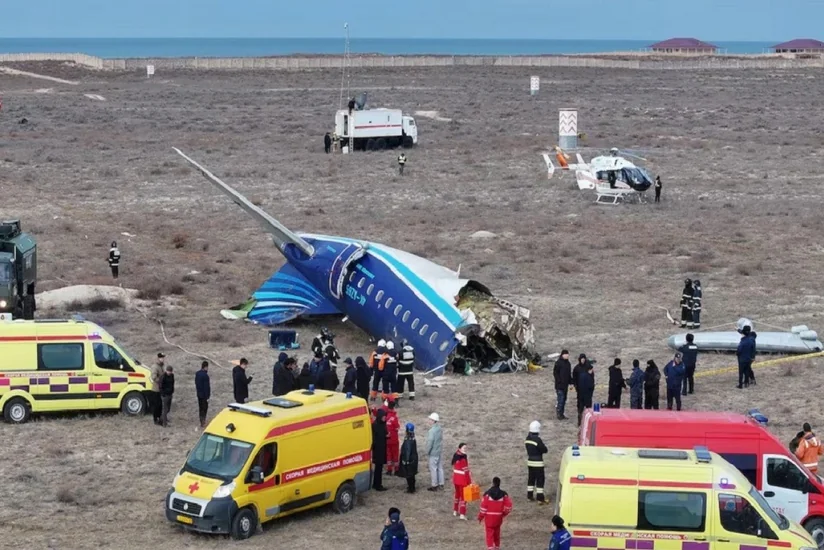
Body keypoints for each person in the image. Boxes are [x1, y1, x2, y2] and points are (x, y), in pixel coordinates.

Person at [477, 477, 513, 550]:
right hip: (498, 518)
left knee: (489, 534)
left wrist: (480, 517)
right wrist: (503, 514)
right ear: (499, 484)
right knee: (497, 533)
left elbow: (483, 508)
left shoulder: (487, 494)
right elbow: (509, 507)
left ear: (493, 483)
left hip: (489, 519)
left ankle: (490, 548)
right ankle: (497, 547)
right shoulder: (503, 495)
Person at [525, 420, 548, 504]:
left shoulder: (527, 439)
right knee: (540, 479)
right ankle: (540, 498)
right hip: (538, 462)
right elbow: (544, 450)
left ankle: (529, 495)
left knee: (531, 479)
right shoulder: (537, 440)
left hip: (530, 461)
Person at [451, 443, 472, 520]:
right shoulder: (463, 459)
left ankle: (455, 510)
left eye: (466, 448)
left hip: (456, 480)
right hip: (463, 481)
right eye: (464, 448)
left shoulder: (456, 456)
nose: (465, 449)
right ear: (460, 448)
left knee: (457, 495)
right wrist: (469, 482)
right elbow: (466, 472)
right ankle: (462, 514)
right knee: (464, 497)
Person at [426, 412, 444, 491]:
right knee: (440, 468)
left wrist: (427, 451)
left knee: (433, 469)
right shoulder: (439, 429)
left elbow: (430, 442)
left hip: (433, 452)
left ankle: (434, 485)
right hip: (439, 451)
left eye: (430, 419)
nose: (429, 420)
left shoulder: (432, 431)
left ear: (433, 421)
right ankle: (441, 483)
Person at [399, 423, 419, 493]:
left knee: (409, 475)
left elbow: (407, 450)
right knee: (412, 474)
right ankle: (412, 487)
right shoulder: (412, 437)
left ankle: (411, 489)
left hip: (409, 460)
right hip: (413, 459)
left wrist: (406, 461)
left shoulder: (408, 439)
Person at [372, 409, 388, 491]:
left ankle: (377, 483)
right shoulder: (375, 425)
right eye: (383, 416)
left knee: (380, 468)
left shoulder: (382, 424)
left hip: (382, 448)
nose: (385, 418)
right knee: (378, 468)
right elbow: (373, 439)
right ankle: (377, 485)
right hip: (378, 450)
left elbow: (384, 433)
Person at [553, 350, 572, 420]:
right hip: (559, 386)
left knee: (564, 400)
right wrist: (559, 381)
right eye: (565, 354)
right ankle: (559, 414)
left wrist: (571, 382)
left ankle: (562, 413)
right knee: (560, 399)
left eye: (567, 354)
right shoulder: (558, 363)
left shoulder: (568, 364)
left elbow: (569, 374)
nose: (567, 355)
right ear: (562, 355)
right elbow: (555, 373)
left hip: (565, 386)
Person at [737, 324, 757, 389]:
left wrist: (752, 357)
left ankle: (748, 381)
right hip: (749, 357)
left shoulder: (745, 341)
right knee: (747, 369)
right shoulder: (751, 337)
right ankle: (747, 382)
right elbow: (743, 332)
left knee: (746, 370)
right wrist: (737, 330)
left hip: (745, 357)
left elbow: (740, 350)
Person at [385, 399, 401, 475]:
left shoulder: (385, 416)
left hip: (387, 440)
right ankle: (396, 469)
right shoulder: (394, 418)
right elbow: (397, 427)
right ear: (394, 407)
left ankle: (389, 470)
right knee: (395, 454)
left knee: (388, 455)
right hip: (394, 439)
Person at [576, 361, 595, 426]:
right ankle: (587, 423)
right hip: (587, 396)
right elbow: (590, 386)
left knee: (580, 410)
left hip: (580, 395)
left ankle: (579, 422)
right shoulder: (589, 377)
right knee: (588, 410)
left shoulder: (581, 375)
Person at [149, 352, 165, 425]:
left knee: (160, 405)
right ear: (158, 358)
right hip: (156, 389)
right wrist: (161, 381)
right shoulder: (155, 367)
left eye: (163, 357)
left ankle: (160, 418)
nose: (163, 359)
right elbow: (154, 377)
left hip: (160, 389)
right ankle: (155, 419)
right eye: (161, 358)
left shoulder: (161, 366)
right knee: (156, 405)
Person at [195, 360, 210, 428]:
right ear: (205, 367)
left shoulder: (197, 374)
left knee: (200, 408)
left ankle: (201, 420)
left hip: (199, 394)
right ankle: (203, 421)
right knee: (204, 408)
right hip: (204, 395)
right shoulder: (205, 376)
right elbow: (206, 387)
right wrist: (207, 396)